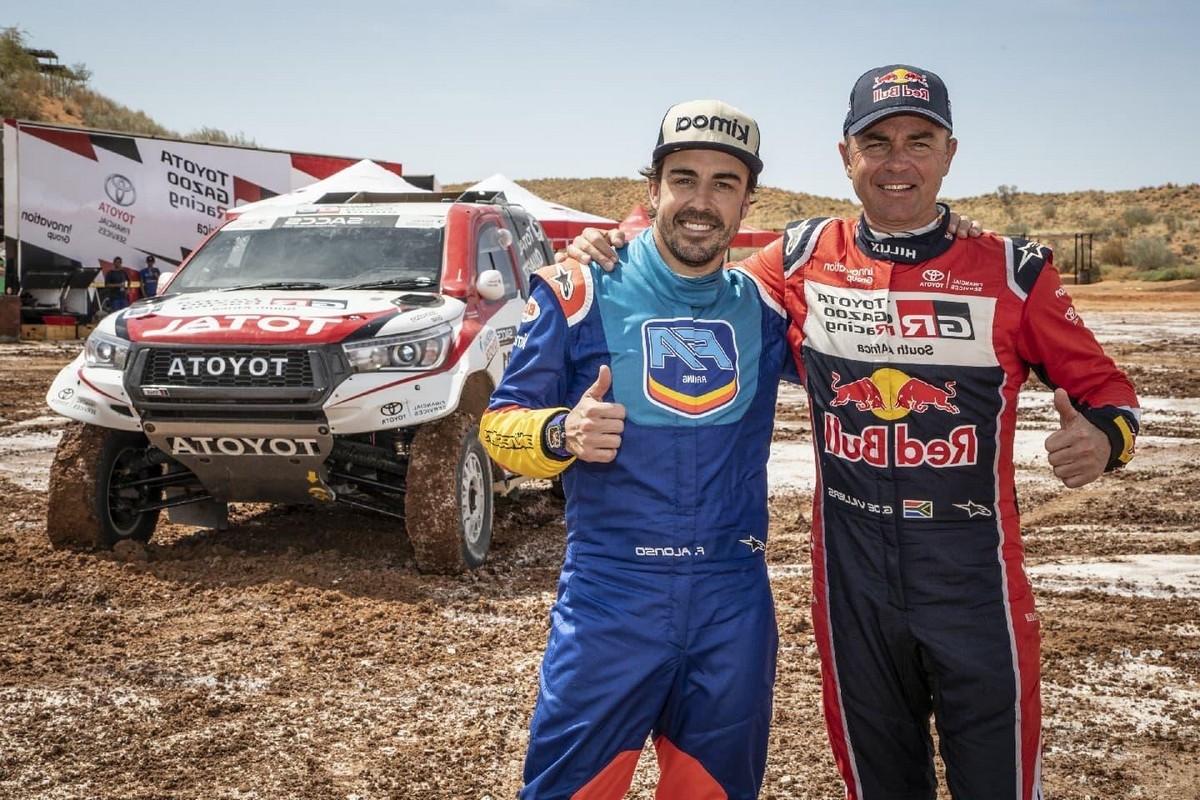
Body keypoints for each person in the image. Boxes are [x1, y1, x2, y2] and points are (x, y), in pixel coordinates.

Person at [567, 64, 1140, 800]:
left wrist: (1104, 441)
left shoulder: (1013, 271)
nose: (897, 161)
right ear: (846, 156)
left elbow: (1111, 394)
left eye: (918, 141)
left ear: (949, 153)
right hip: (852, 579)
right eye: (877, 142)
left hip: (974, 579)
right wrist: (615, 239)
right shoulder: (803, 259)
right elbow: (697, 267)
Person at [480, 99, 789, 798]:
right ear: (652, 189)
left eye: (724, 183)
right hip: (612, 598)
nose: (700, 201)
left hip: (731, 601)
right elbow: (497, 432)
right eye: (684, 178)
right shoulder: (577, 289)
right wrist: (561, 433)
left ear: (747, 202)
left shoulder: (767, 308)